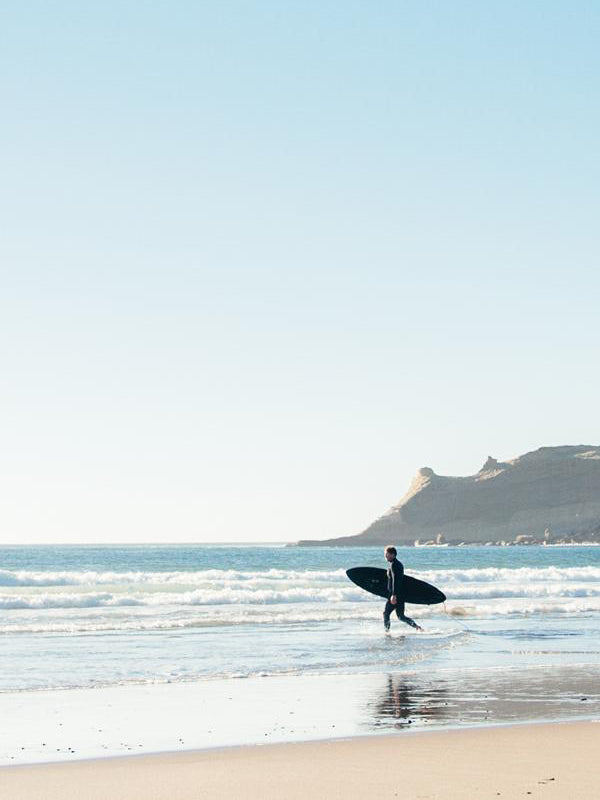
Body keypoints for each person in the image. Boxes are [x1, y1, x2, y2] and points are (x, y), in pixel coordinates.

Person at [384, 545, 423, 632]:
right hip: (400, 594)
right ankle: (417, 627)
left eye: (387, 554)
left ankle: (387, 632)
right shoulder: (396, 564)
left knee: (386, 613)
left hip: (395, 594)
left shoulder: (394, 565)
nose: (385, 556)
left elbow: (395, 580)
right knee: (401, 616)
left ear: (393, 555)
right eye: (385, 554)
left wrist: (393, 595)